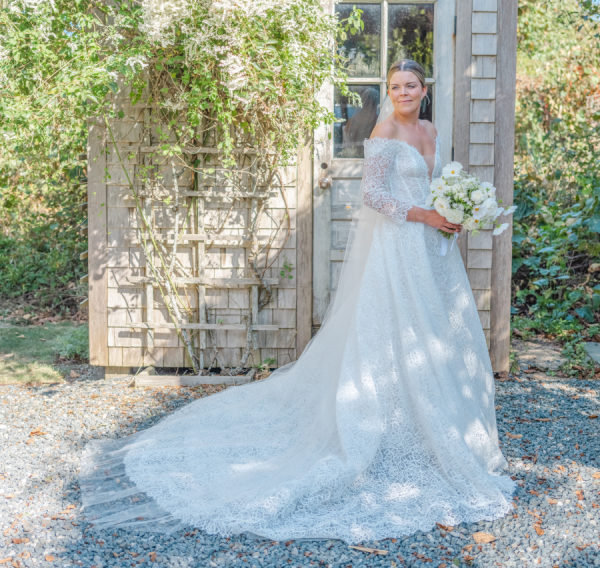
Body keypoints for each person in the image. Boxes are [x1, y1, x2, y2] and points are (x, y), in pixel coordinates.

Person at [79, 58, 516, 543]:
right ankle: (391, 426)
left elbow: (433, 184)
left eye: (410, 85)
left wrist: (453, 209)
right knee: (392, 330)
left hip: (433, 250)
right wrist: (425, 215)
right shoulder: (385, 130)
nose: (402, 92)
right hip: (399, 247)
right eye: (395, 86)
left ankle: (437, 425)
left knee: (431, 334)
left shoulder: (432, 129)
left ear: (424, 88)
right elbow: (374, 196)